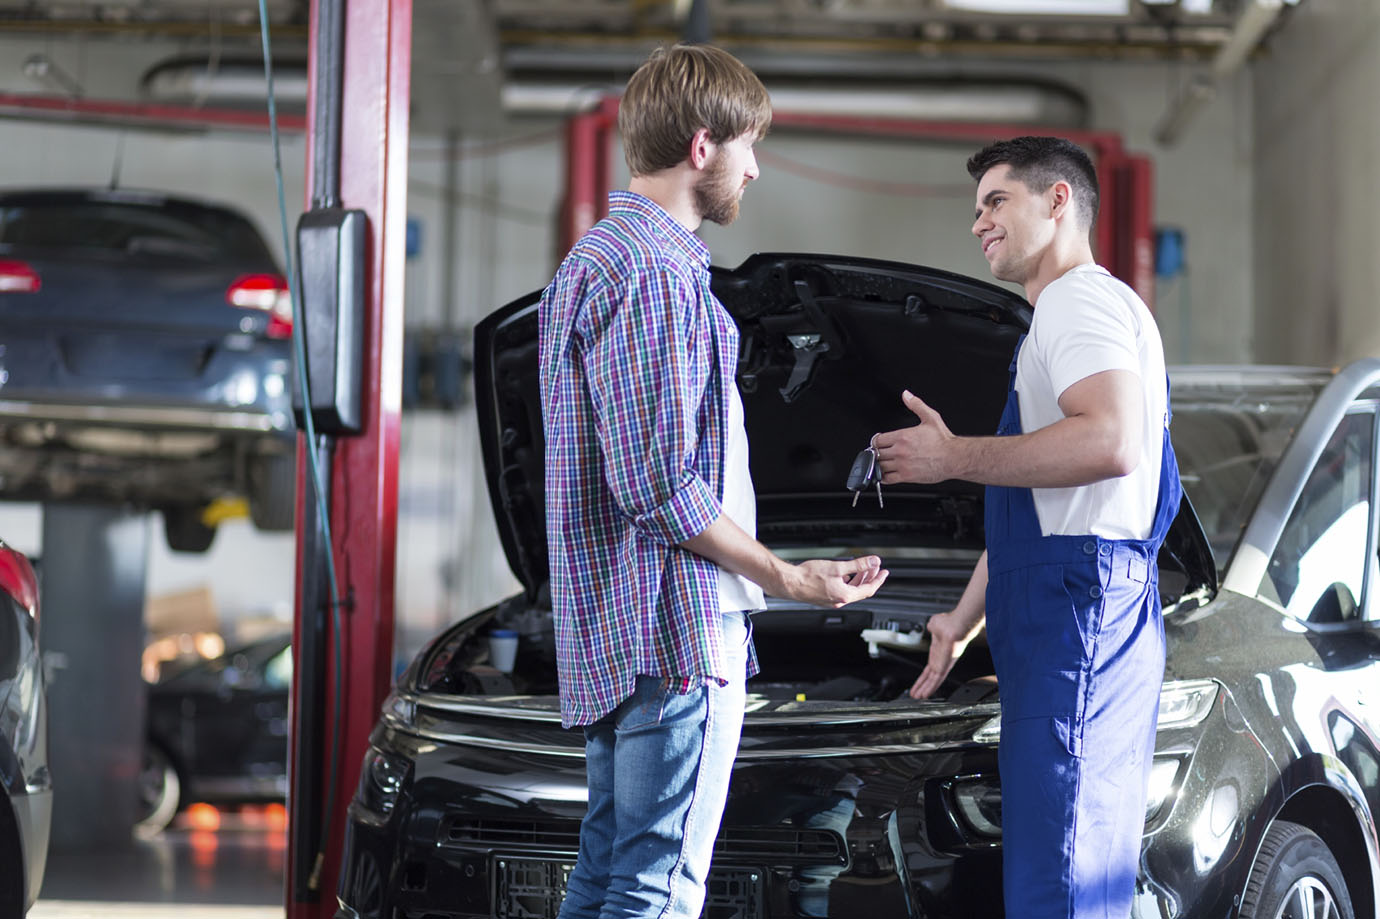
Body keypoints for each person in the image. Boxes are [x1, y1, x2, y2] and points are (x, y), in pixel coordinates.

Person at [538, 43, 887, 919]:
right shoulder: (655, 276)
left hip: (618, 631)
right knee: (658, 889)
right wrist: (788, 576)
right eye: (750, 146)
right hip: (671, 632)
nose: (756, 167)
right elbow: (656, 482)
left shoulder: (593, 264)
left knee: (608, 875)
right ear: (703, 148)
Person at [874, 136, 1181, 918]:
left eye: (996, 202)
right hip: (1076, 599)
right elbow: (1046, 511)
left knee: (1064, 873)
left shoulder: (1078, 301)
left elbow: (1108, 442)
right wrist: (960, 618)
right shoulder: (1082, 312)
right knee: (1072, 861)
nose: (979, 223)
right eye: (976, 209)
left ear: (1058, 201)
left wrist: (951, 457)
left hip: (1076, 609)